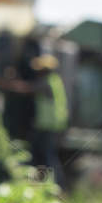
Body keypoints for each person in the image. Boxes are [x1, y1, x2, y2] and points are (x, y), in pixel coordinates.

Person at [29, 53, 69, 185]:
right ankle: (48, 183)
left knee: (48, 156)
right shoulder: (54, 80)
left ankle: (57, 184)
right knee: (45, 155)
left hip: (48, 125)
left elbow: (29, 89)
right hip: (51, 124)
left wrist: (7, 84)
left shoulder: (46, 82)